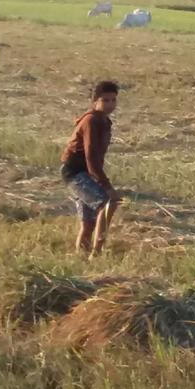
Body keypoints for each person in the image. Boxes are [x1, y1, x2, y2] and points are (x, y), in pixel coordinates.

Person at [61, 81, 120, 257]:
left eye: (113, 100)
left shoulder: (104, 121)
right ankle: (97, 253)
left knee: (89, 223)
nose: (110, 104)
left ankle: (81, 257)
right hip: (75, 172)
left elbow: (96, 158)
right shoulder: (91, 121)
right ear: (95, 100)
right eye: (105, 100)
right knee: (107, 203)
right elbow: (91, 157)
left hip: (85, 173)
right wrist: (106, 185)